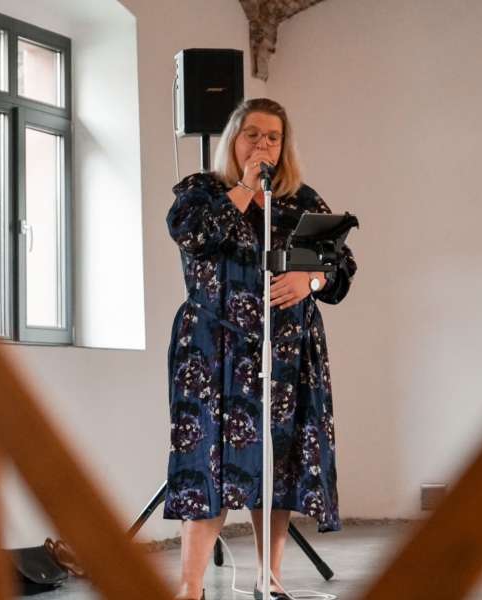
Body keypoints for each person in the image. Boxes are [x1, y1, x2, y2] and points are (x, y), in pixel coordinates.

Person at [165, 98, 357, 600]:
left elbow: (341, 268)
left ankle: (268, 579)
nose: (262, 145)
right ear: (234, 138)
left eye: (273, 137)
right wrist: (247, 188)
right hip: (215, 352)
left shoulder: (301, 200)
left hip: (287, 353)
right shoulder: (201, 192)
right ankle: (190, 586)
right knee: (208, 462)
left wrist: (309, 280)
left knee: (277, 463)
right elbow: (193, 235)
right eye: (252, 134)